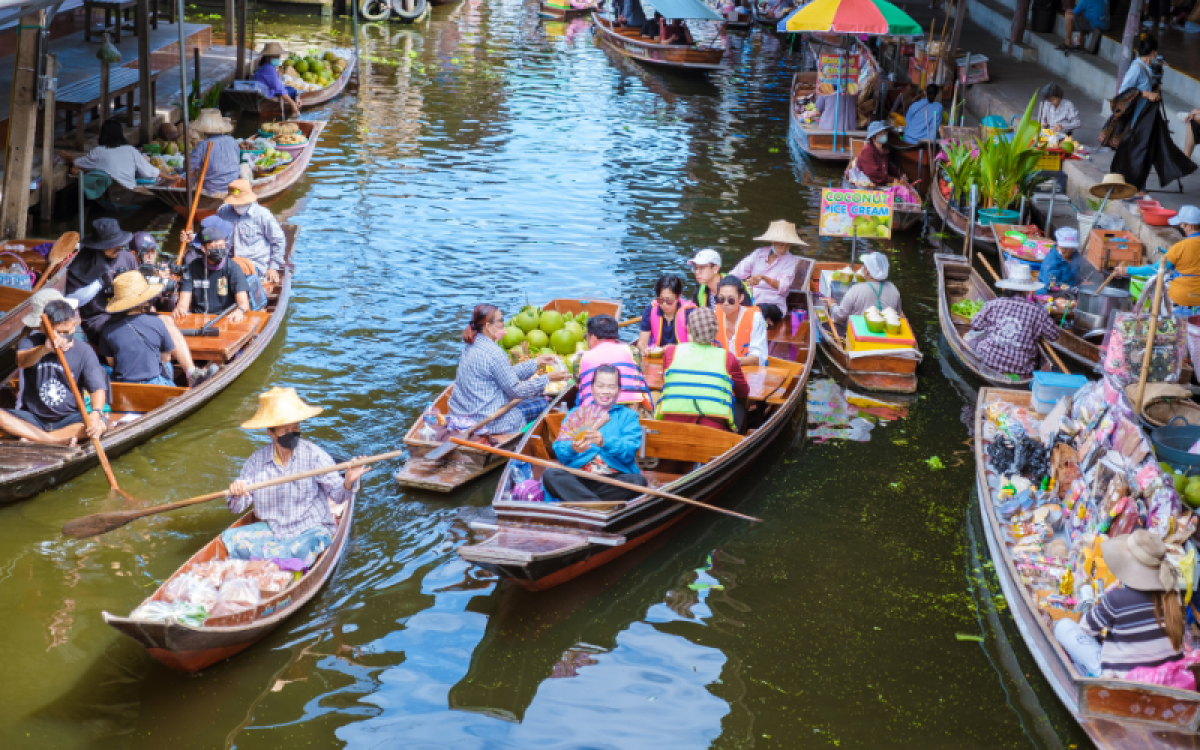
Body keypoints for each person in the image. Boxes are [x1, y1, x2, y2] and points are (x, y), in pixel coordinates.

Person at [225, 387, 368, 566]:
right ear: (271, 432)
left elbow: (339, 495)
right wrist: (237, 492)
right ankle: (278, 560)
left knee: (304, 548)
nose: (293, 433)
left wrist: (348, 482)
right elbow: (237, 507)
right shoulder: (256, 462)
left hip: (309, 529)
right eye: (286, 430)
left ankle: (275, 561)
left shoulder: (314, 455)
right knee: (230, 538)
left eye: (296, 427)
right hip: (273, 530)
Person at [1054, 530, 1185, 678]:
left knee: (1063, 626)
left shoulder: (1117, 599)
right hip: (1164, 678)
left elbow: (1086, 627)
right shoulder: (1174, 600)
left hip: (1124, 681)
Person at [0, 297, 108, 445]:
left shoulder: (84, 350)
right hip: (33, 418)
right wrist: (45, 349)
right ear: (44, 328)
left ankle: (41, 438)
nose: (64, 337)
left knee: (101, 425)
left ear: (74, 324)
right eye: (58, 332)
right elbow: (22, 361)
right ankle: (54, 439)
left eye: (68, 332)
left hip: (68, 419)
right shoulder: (30, 342)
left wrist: (96, 414)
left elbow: (97, 388)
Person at [448, 304, 570, 435]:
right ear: (488, 327)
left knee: (533, 396)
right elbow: (516, 391)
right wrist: (547, 378)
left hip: (463, 413)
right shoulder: (495, 352)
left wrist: (536, 362)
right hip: (489, 421)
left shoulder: (471, 344)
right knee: (543, 403)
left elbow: (506, 374)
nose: (504, 323)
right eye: (500, 321)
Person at [542, 365, 648, 504]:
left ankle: (584, 503)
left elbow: (629, 452)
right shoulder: (576, 413)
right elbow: (560, 451)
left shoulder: (628, 417)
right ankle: (598, 506)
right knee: (550, 475)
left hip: (613, 480)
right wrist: (572, 448)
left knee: (638, 481)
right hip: (580, 478)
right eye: (600, 386)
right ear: (592, 388)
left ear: (619, 390)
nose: (605, 391)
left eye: (611, 386)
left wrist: (605, 442)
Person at [1106, 35, 1197, 195]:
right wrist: (1146, 94)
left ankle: (1139, 187)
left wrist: (1154, 89)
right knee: (1138, 151)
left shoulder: (1146, 67)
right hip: (1137, 119)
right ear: (1153, 52)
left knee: (1150, 150)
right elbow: (1123, 93)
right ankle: (1133, 186)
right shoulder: (1136, 68)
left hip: (1147, 118)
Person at [100, 271, 219, 387]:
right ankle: (191, 376)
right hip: (155, 384)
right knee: (166, 366)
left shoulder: (108, 328)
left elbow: (112, 363)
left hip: (124, 387)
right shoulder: (158, 322)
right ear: (144, 301)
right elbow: (165, 358)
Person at [656, 307, 749, 432]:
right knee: (740, 406)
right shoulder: (728, 358)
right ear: (716, 332)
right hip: (712, 428)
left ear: (689, 329)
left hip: (671, 425)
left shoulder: (671, 352)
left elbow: (667, 379)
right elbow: (743, 393)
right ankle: (737, 438)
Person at [181, 180, 286, 283]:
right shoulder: (223, 211)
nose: (238, 206)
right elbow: (213, 234)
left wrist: (273, 267)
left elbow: (279, 241)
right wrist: (193, 238)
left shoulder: (263, 215)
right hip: (226, 260)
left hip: (254, 264)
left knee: (234, 275)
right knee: (193, 261)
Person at [967, 265, 1058, 376]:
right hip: (1022, 368)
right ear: (1027, 291)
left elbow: (975, 325)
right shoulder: (1038, 311)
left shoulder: (994, 304)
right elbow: (1054, 335)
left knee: (971, 340)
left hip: (989, 360)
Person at [1116, 205, 1200, 315]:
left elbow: (1156, 269)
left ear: (1189, 226)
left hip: (1181, 298)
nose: (1180, 226)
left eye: (1182, 224)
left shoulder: (1180, 247)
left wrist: (1127, 270)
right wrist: (1168, 254)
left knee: (1160, 287)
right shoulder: (1179, 249)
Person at [66, 217, 140, 341]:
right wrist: (100, 281)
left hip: (127, 312)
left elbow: (139, 287)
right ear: (98, 246)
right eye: (113, 245)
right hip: (98, 318)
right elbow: (71, 301)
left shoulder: (127, 257)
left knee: (163, 324)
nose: (119, 247)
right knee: (128, 336)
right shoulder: (82, 265)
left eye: (119, 243)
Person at [174, 218, 252, 323]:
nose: (218, 250)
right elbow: (183, 302)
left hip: (226, 319)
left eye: (221, 246)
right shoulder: (191, 268)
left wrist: (239, 310)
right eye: (213, 247)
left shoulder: (233, 268)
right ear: (203, 248)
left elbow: (243, 302)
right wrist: (180, 309)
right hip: (199, 320)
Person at [730, 220, 805, 327]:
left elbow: (783, 286)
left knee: (761, 310)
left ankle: (756, 324)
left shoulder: (790, 261)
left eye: (788, 246)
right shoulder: (758, 254)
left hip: (773, 304)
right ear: (773, 242)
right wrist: (746, 282)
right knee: (731, 302)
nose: (784, 249)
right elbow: (737, 273)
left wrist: (764, 278)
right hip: (752, 298)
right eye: (781, 245)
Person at [60, 120, 163, 191]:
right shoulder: (130, 150)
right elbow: (148, 171)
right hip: (129, 188)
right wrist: (169, 177)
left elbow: (78, 163)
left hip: (107, 189)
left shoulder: (98, 151)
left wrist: (71, 161)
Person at [577, 315, 651, 409]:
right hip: (632, 408)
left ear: (593, 338)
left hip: (595, 412)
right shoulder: (633, 351)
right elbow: (640, 373)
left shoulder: (581, 358)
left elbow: (578, 383)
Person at [824, 252, 902, 323]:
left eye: (864, 267)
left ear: (867, 271)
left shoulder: (856, 289)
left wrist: (832, 305)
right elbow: (896, 316)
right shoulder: (894, 289)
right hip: (886, 336)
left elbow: (839, 316)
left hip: (859, 336)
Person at [637, 274, 698, 355]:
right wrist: (642, 348)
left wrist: (673, 349)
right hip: (657, 359)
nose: (664, 304)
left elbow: (694, 348)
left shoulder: (690, 313)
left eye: (669, 301)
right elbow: (641, 342)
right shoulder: (650, 310)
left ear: (678, 297)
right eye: (660, 300)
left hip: (682, 359)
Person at [714, 276, 768, 367]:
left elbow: (759, 355)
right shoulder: (713, 316)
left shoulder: (755, 318)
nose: (725, 303)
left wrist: (734, 362)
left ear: (741, 298)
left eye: (731, 300)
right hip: (721, 370)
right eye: (721, 299)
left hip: (750, 371)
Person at [188, 108, 243, 196]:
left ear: (205, 130)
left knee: (194, 173)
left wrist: (192, 153)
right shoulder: (232, 140)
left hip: (213, 189)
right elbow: (237, 160)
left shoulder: (202, 145)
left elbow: (188, 167)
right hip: (234, 185)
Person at [253, 41, 300, 118]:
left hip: (265, 90)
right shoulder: (269, 68)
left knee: (291, 89)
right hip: (265, 94)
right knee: (291, 90)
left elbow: (276, 84)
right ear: (268, 58)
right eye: (275, 57)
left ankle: (296, 98)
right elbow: (280, 89)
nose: (278, 59)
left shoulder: (267, 66)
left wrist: (296, 97)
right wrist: (293, 104)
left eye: (278, 57)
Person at [855, 121, 905, 187]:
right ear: (873, 137)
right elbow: (873, 173)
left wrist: (900, 174)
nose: (884, 134)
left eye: (884, 132)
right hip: (867, 187)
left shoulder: (884, 149)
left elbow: (888, 166)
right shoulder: (867, 151)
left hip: (880, 185)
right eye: (880, 133)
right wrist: (891, 180)